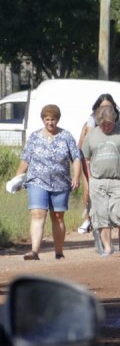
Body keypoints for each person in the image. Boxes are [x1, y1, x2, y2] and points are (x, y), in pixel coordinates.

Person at [12, 104, 82, 260]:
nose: (50, 123)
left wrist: (76, 177)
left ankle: (59, 251)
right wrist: (17, 179)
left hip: (61, 183)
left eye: (53, 119)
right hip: (37, 181)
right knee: (37, 213)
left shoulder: (66, 136)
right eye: (47, 119)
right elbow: (25, 160)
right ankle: (34, 251)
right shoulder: (35, 137)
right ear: (43, 119)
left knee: (57, 216)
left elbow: (76, 158)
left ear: (58, 119)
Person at [80, 102, 120, 256]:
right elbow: (85, 158)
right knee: (101, 216)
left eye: (109, 124)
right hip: (98, 182)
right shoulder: (91, 135)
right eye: (102, 124)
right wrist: (91, 178)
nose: (106, 127)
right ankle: (107, 248)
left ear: (114, 121)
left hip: (119, 181)